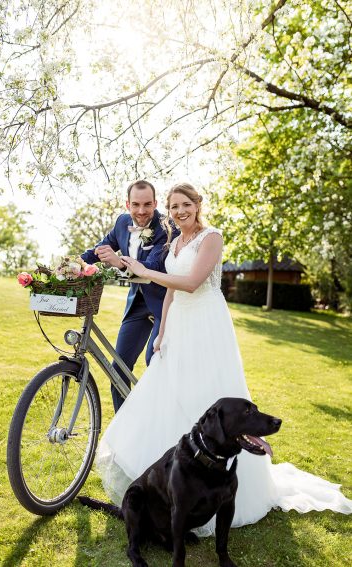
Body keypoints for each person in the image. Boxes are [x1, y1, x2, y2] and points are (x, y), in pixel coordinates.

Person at [96, 182, 352, 530]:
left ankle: (215, 489)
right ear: (168, 212)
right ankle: (168, 484)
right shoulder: (174, 242)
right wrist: (162, 332)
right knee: (168, 394)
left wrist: (142, 271)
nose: (180, 212)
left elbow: (191, 282)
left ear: (198, 205)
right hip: (179, 326)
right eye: (173, 207)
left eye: (185, 205)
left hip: (205, 325)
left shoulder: (211, 237)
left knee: (203, 394)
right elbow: (171, 289)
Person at [81, 179, 178, 412]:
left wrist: (119, 263)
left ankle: (162, 423)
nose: (141, 211)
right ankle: (124, 433)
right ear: (127, 204)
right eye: (136, 204)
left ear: (155, 203)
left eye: (147, 205)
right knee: (118, 369)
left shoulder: (168, 226)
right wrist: (72, 265)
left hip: (165, 305)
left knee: (153, 364)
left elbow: (153, 266)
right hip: (137, 305)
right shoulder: (123, 222)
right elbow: (99, 249)